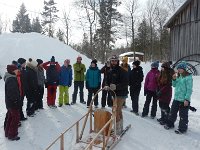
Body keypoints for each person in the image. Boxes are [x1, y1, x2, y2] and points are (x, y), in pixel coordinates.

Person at [164, 61, 193, 134]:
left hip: (184, 100)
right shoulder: (179, 76)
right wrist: (173, 79)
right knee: (172, 112)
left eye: (180, 68)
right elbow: (174, 85)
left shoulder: (188, 78)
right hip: (176, 98)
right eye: (178, 68)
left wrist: (187, 99)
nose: (178, 70)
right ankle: (170, 124)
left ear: (184, 69)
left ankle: (182, 128)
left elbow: (189, 90)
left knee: (183, 115)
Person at [107, 55, 129, 135]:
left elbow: (125, 83)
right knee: (118, 111)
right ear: (110, 61)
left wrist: (116, 86)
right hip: (114, 94)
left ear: (117, 61)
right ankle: (120, 127)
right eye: (112, 61)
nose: (114, 62)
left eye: (115, 61)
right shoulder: (110, 71)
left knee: (115, 111)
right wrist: (106, 85)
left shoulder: (122, 71)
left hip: (121, 94)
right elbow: (107, 81)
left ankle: (117, 129)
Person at [4, 64, 21, 140]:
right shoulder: (11, 79)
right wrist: (16, 101)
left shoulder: (11, 78)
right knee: (15, 119)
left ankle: (8, 132)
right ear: (12, 71)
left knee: (11, 117)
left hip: (10, 103)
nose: (18, 71)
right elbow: (12, 93)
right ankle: (12, 135)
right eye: (16, 69)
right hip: (13, 103)